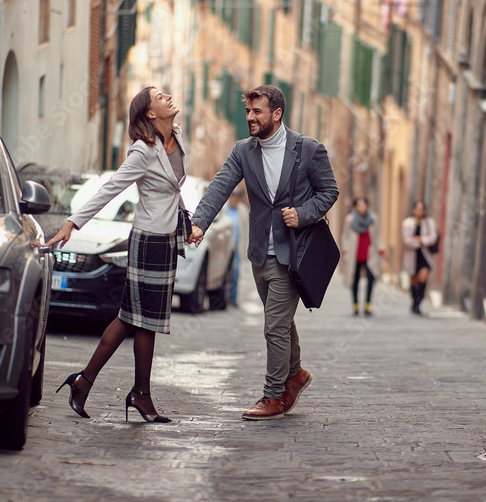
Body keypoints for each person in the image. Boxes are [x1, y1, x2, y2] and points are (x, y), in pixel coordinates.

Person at [187, 85, 338, 420]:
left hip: (292, 254)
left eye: (257, 111)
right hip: (259, 254)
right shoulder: (243, 151)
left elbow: (330, 190)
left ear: (277, 114)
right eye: (248, 111)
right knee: (280, 321)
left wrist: (303, 213)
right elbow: (220, 186)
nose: (250, 118)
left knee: (273, 325)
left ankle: (273, 396)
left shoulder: (307, 149)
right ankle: (296, 374)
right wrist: (199, 223)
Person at [46, 86, 186, 423]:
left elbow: (173, 191)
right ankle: (138, 394)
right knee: (141, 321)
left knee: (134, 320)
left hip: (166, 242)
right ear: (150, 113)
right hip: (147, 242)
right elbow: (110, 188)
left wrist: (188, 222)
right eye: (159, 96)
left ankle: (86, 382)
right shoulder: (143, 151)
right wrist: (72, 222)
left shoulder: (178, 141)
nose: (167, 97)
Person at [340, 196, 384, 316]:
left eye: (364, 205)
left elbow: (377, 235)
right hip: (355, 254)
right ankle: (355, 306)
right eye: (359, 205)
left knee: (371, 277)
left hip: (369, 254)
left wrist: (381, 248)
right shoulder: (350, 220)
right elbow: (345, 237)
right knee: (355, 280)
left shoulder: (373, 219)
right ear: (355, 207)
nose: (362, 208)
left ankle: (367, 306)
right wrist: (345, 251)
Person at [401, 200, 438, 315]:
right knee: (414, 280)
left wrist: (418, 240)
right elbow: (407, 241)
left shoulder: (429, 222)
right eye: (417, 209)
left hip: (425, 256)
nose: (419, 211)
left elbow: (433, 238)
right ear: (414, 210)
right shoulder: (407, 223)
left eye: (422, 209)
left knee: (423, 278)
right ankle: (414, 302)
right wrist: (423, 240)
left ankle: (419, 301)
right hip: (412, 256)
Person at [224, 188, 249, 306]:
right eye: (232, 196)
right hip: (224, 246)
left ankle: (232, 298)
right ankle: (223, 297)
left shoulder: (243, 211)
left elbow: (246, 230)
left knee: (235, 271)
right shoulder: (224, 209)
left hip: (237, 246)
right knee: (224, 271)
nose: (234, 199)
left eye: (236, 197)